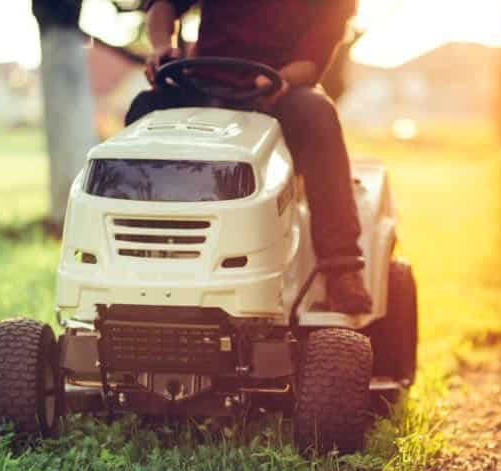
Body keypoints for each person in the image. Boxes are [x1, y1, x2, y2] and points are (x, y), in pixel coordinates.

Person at [125, 0, 372, 315]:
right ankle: (138, 256)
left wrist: (282, 80)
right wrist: (162, 47)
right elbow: (163, 6)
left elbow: (312, 62)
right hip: (201, 85)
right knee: (144, 108)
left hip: (275, 92)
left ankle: (342, 269)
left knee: (319, 112)